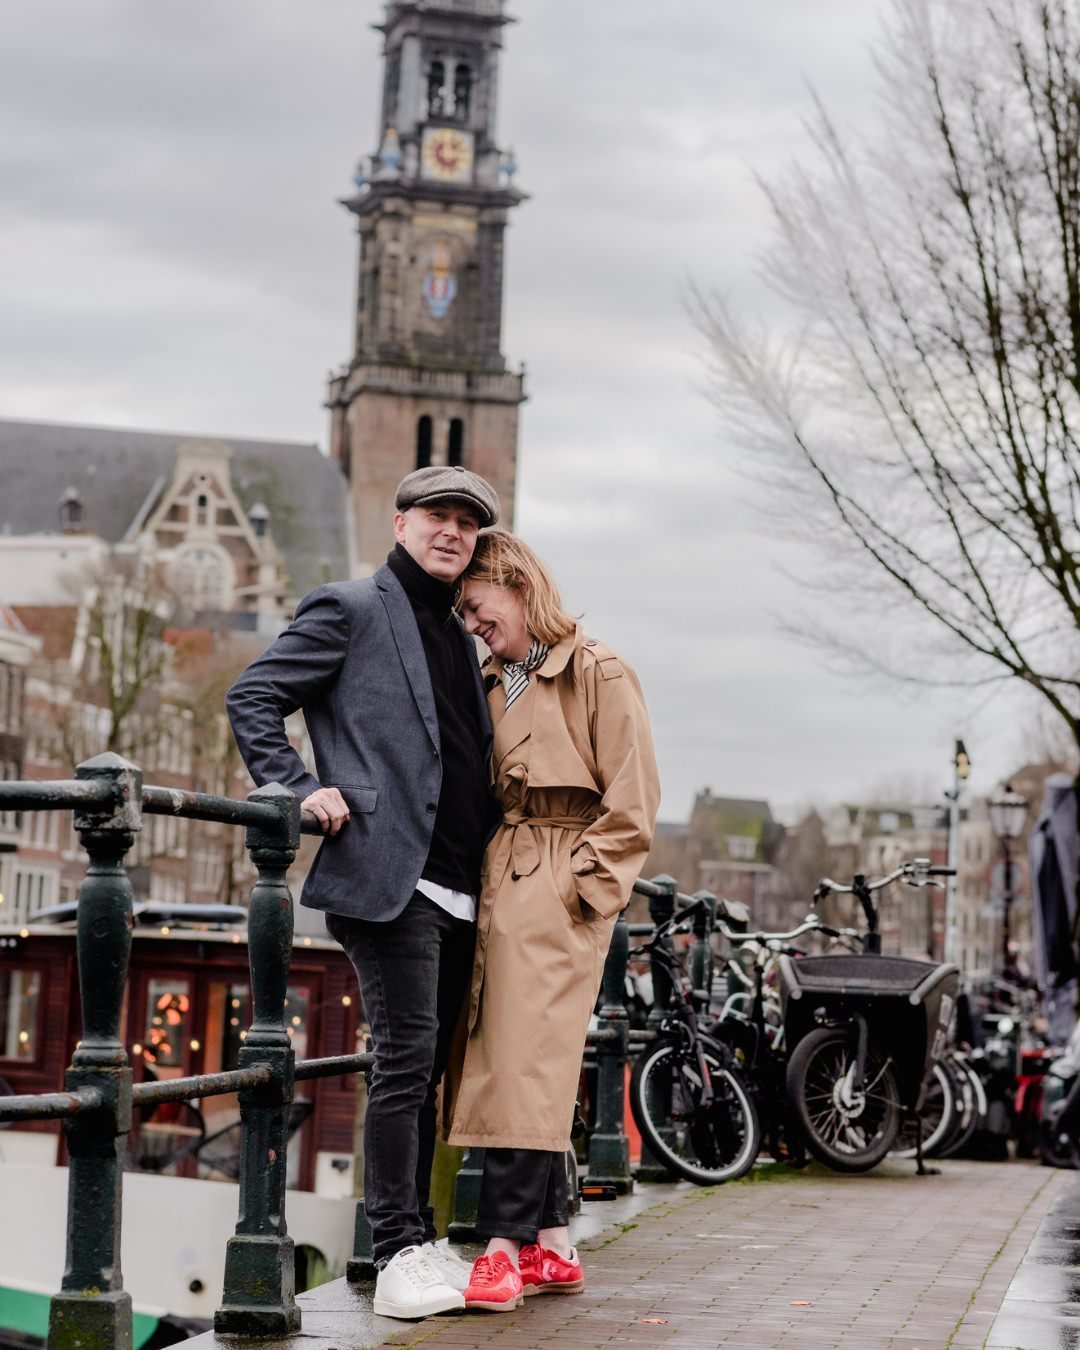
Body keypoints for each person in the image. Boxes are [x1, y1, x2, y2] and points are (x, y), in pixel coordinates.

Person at [225, 465, 503, 1320]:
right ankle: (394, 1257)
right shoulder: (349, 607)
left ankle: (418, 1241)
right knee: (403, 1061)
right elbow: (255, 696)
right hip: (390, 873)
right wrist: (296, 784)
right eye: (436, 517)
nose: (451, 531)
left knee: (425, 1075)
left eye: (466, 522)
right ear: (400, 523)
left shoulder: (460, 633)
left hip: (461, 881)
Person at [447, 530, 660, 1313]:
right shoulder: (493, 678)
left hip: (557, 878)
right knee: (513, 1057)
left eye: (477, 606)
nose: (471, 621)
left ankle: (501, 1247)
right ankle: (553, 1241)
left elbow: (633, 801)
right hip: (503, 872)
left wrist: (581, 892)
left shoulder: (596, 670)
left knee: (525, 1059)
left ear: (516, 584)